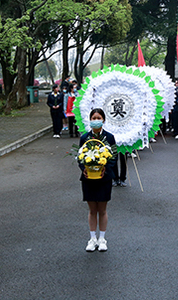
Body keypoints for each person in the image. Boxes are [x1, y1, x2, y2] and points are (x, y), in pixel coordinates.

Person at [79, 108, 117, 252]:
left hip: (104, 178)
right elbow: (80, 156)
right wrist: (84, 168)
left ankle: (102, 238)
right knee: (92, 210)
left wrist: (104, 169)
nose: (96, 120)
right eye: (93, 118)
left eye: (98, 118)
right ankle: (92, 238)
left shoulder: (109, 137)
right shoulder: (85, 138)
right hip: (88, 178)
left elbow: (113, 157)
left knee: (102, 209)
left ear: (103, 120)